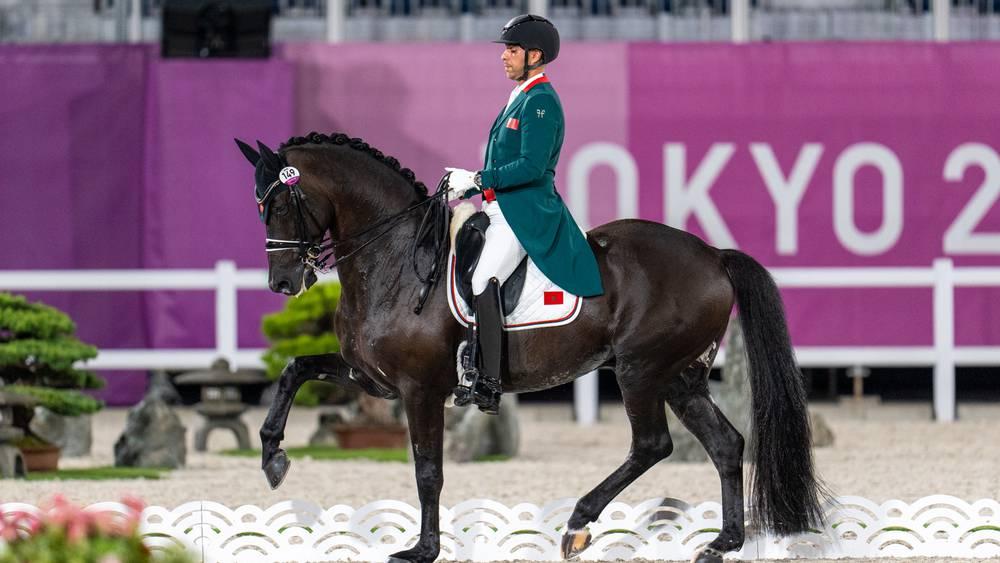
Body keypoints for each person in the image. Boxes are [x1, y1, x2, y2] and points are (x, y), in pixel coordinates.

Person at [445, 14, 604, 415]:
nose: (505, 58)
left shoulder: (541, 102)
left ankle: (488, 381)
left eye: (512, 51)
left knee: (484, 278)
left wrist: (477, 179)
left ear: (535, 55)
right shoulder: (520, 96)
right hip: (498, 208)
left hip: (524, 213)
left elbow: (531, 168)